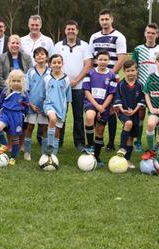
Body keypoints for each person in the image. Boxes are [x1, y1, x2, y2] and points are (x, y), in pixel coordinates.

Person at [89, 9, 127, 151]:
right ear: (99, 21)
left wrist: (110, 74)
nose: (104, 22)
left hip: (111, 79)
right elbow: (92, 58)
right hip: (96, 79)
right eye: (102, 19)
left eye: (107, 19)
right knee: (94, 107)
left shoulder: (119, 37)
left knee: (111, 110)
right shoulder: (94, 37)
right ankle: (96, 140)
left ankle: (111, 143)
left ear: (112, 20)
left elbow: (122, 58)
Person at [54, 20, 91, 151]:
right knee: (60, 114)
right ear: (65, 31)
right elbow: (54, 63)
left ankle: (79, 143)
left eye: (73, 29)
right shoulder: (58, 45)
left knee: (78, 116)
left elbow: (88, 65)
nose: (70, 31)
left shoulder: (84, 45)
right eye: (68, 29)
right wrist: (66, 79)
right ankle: (58, 141)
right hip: (62, 86)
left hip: (79, 87)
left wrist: (76, 80)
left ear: (77, 30)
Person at [83, 51, 117, 166]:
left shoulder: (111, 75)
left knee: (100, 131)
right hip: (91, 103)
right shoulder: (90, 73)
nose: (102, 62)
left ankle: (96, 157)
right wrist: (96, 106)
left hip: (104, 106)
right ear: (96, 61)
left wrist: (102, 107)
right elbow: (87, 91)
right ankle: (90, 146)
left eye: (105, 60)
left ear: (109, 61)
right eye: (100, 59)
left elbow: (111, 94)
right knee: (89, 117)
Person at [131, 23, 159, 152]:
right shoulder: (138, 49)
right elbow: (133, 68)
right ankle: (137, 141)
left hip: (156, 89)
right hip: (141, 88)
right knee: (140, 116)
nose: (150, 35)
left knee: (154, 116)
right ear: (145, 33)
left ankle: (153, 143)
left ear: (157, 35)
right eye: (148, 32)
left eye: (153, 33)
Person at [0, 70, 29, 165]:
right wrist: (1, 111)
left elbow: (26, 106)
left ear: (22, 82)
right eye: (14, 81)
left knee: (15, 138)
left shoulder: (24, 94)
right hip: (5, 113)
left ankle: (13, 157)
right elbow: (0, 102)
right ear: (9, 81)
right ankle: (4, 144)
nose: (16, 83)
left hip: (17, 116)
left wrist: (23, 115)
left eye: (18, 81)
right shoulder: (6, 91)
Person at [113, 60, 145, 167]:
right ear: (124, 71)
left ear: (137, 71)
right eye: (128, 71)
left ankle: (127, 160)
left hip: (135, 112)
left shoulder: (140, 85)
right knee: (128, 124)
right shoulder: (121, 85)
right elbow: (117, 98)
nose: (130, 73)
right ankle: (122, 148)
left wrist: (135, 110)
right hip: (124, 112)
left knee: (131, 137)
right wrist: (122, 109)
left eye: (133, 70)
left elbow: (142, 100)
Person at [42, 54, 72, 157]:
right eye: (54, 62)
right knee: (52, 119)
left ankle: (53, 155)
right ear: (50, 64)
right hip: (49, 105)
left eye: (59, 62)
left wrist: (65, 109)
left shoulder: (66, 79)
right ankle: (48, 146)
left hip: (61, 108)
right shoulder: (46, 78)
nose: (57, 65)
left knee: (57, 132)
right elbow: (43, 93)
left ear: (62, 64)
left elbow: (68, 97)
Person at [23, 47, 50, 161]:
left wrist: (47, 104)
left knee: (44, 128)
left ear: (46, 57)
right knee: (30, 127)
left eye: (42, 54)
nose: (40, 56)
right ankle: (27, 152)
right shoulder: (30, 71)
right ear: (34, 58)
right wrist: (30, 104)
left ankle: (44, 153)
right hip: (32, 105)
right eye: (37, 54)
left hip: (45, 105)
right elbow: (26, 90)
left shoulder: (50, 71)